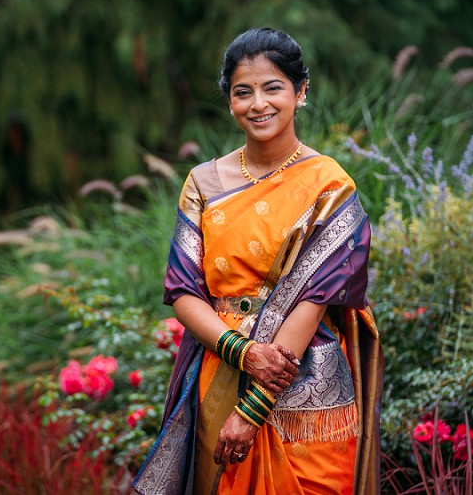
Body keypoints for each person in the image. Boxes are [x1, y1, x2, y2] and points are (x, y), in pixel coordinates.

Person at [133, 28, 383, 495]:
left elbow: (315, 298)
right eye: (242, 92)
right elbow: (184, 290)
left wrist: (252, 410)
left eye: (273, 88)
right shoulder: (204, 183)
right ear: (229, 101)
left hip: (306, 381)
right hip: (222, 369)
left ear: (300, 91)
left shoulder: (330, 184)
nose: (258, 104)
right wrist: (244, 352)